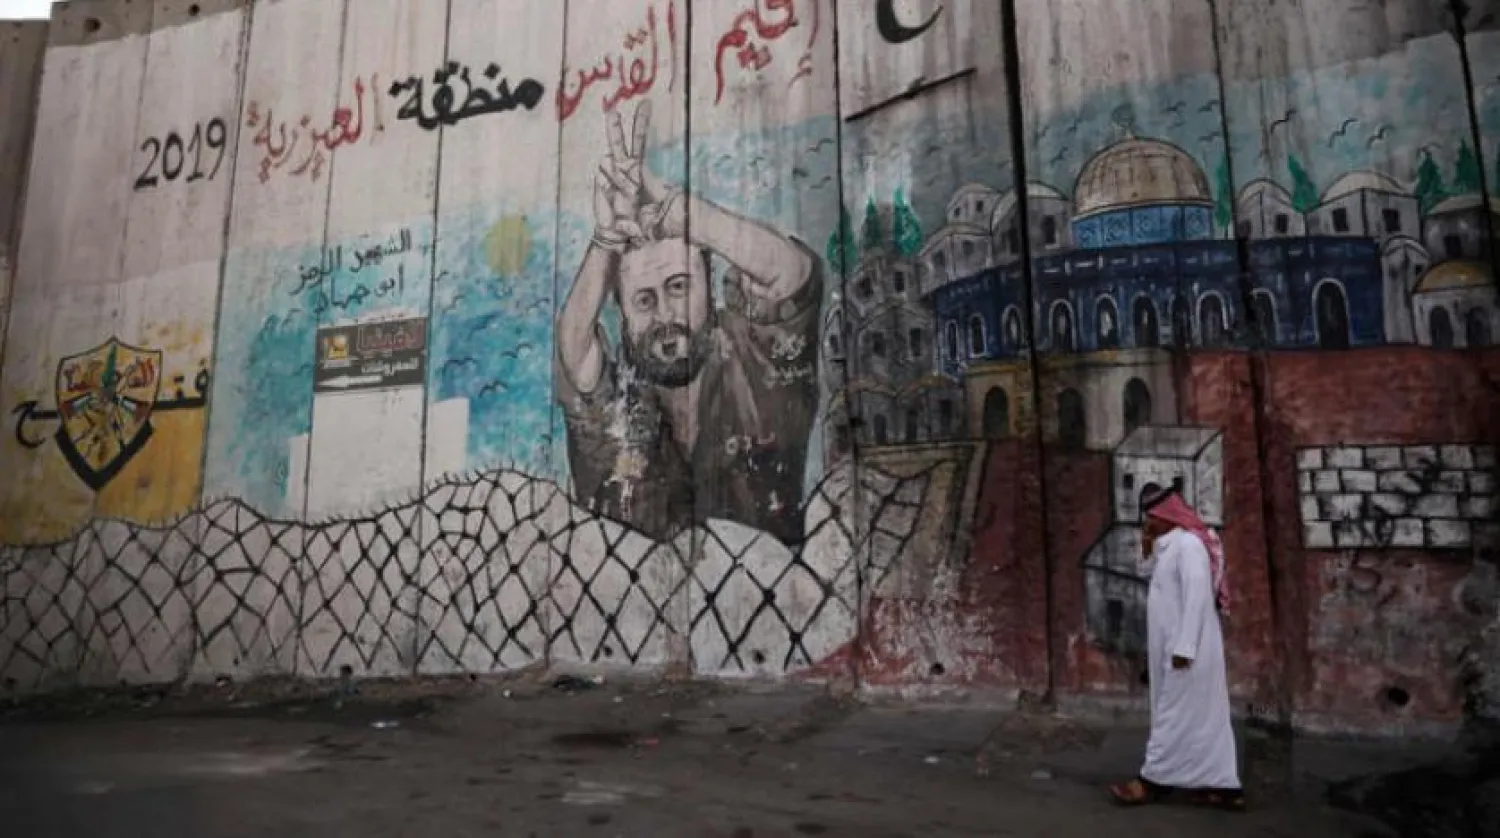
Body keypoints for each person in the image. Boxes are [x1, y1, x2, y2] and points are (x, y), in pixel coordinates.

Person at [554, 101, 821, 544]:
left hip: (772, 605)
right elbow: (573, 347)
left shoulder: (757, 365)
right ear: (620, 314)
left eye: (679, 287)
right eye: (644, 300)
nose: (665, 316)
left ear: (709, 289)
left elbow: (791, 275)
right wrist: (606, 240)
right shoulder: (616, 399)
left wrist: (688, 215)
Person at [1110, 486, 1245, 810]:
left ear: (1166, 515)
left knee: (1172, 714)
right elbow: (1146, 571)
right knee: (1202, 719)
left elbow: (1198, 600)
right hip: (1173, 646)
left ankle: (1151, 780)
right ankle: (1223, 787)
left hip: (1188, 650)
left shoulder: (1189, 546)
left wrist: (1185, 648)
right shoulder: (1168, 545)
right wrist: (1145, 546)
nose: (1148, 522)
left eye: (1152, 517)